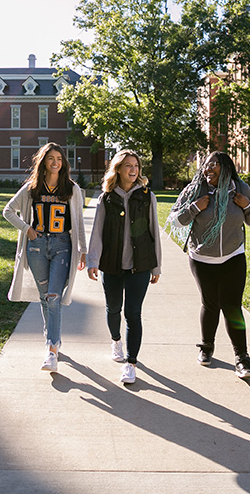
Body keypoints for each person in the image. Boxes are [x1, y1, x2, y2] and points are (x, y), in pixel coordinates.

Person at [167, 151, 250, 379]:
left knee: (232, 306)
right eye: (206, 165)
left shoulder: (240, 189)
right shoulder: (195, 190)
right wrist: (195, 208)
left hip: (233, 256)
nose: (208, 168)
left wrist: (247, 204)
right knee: (210, 305)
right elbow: (176, 220)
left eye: (214, 165)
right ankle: (206, 347)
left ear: (226, 168)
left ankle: (242, 359)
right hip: (202, 258)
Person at [3, 143, 87, 373]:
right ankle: (53, 336)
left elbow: (78, 222)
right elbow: (8, 211)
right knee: (44, 297)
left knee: (53, 297)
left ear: (64, 163)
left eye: (59, 158)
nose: (55, 162)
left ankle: (52, 350)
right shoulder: (32, 188)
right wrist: (26, 228)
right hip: (37, 246)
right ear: (43, 161)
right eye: (51, 158)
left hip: (62, 246)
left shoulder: (71, 189)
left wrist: (83, 250)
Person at [86, 149, 161, 385]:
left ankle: (131, 363)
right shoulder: (106, 198)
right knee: (113, 309)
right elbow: (97, 232)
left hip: (140, 265)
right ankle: (116, 340)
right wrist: (92, 261)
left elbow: (154, 232)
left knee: (133, 313)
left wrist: (156, 267)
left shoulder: (147, 196)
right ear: (118, 169)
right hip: (112, 264)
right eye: (128, 165)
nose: (133, 169)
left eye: (136, 166)